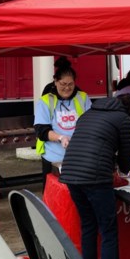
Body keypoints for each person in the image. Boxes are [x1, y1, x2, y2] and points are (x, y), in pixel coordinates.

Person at [59, 93, 130, 259]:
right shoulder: (123, 119)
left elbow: (91, 143)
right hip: (95, 178)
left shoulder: (88, 114)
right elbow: (126, 159)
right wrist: (125, 167)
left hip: (71, 174)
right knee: (108, 232)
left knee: (89, 227)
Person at [34, 60, 91, 190]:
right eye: (63, 84)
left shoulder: (83, 97)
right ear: (55, 81)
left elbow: (91, 123)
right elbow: (41, 131)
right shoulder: (45, 101)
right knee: (54, 196)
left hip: (79, 156)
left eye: (70, 84)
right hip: (54, 158)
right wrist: (61, 138)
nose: (67, 88)